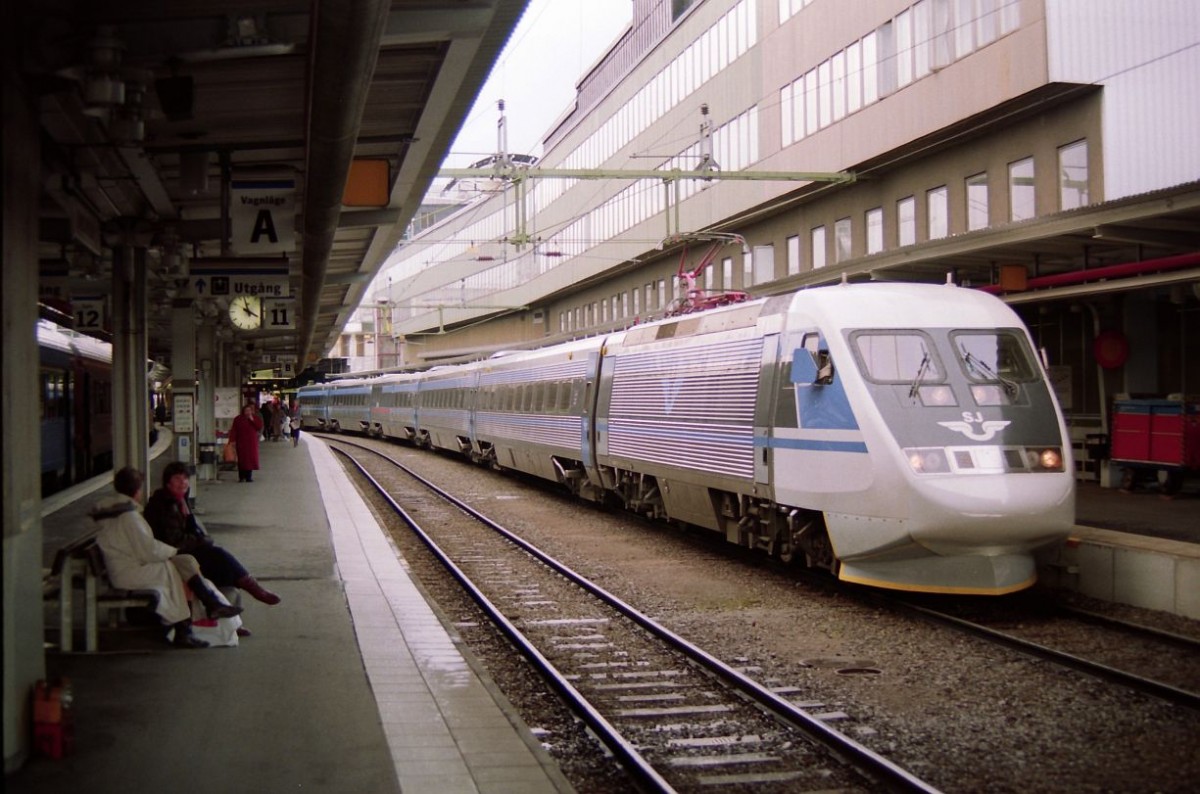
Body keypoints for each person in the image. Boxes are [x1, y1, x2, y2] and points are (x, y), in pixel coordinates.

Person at [92, 467, 242, 649]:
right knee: (177, 569)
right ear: (138, 490)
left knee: (183, 564)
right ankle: (191, 623)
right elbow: (148, 550)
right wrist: (172, 552)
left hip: (124, 567)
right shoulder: (128, 517)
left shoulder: (116, 512)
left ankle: (196, 618)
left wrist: (172, 553)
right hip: (129, 571)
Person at [144, 462, 282, 619]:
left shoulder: (179, 501)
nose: (183, 482)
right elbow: (175, 540)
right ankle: (254, 590)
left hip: (182, 551)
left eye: (185, 478)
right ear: (167, 482)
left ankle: (232, 622)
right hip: (172, 555)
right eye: (177, 479)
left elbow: (189, 531)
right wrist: (202, 541)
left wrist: (197, 533)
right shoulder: (164, 505)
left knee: (222, 567)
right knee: (218, 556)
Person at [230, 402, 264, 482]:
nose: (248, 412)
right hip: (241, 442)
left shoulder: (255, 418)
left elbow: (259, 426)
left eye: (249, 410)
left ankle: (249, 476)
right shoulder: (238, 419)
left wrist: (252, 420)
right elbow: (234, 430)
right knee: (242, 459)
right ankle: (241, 477)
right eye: (246, 411)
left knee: (250, 459)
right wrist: (232, 440)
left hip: (251, 442)